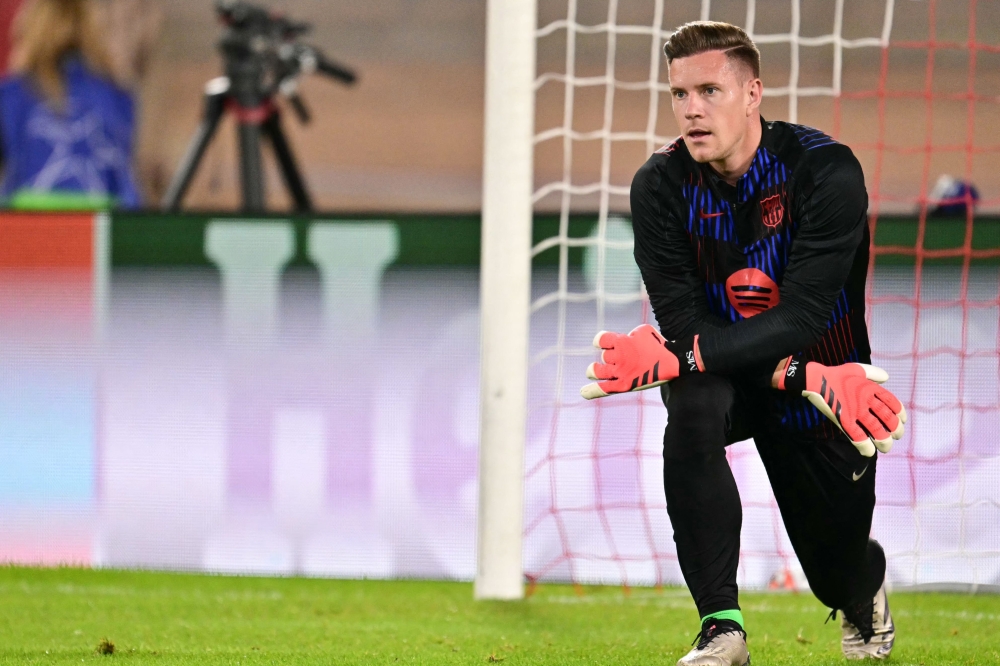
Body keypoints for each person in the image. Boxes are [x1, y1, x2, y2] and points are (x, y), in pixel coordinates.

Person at [580, 22, 907, 665]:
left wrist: (799, 377)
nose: (692, 109)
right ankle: (721, 628)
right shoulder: (659, 188)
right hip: (795, 382)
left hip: (828, 398)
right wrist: (793, 375)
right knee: (693, 401)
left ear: (753, 92)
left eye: (709, 89)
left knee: (836, 572)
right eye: (679, 94)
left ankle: (861, 588)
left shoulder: (825, 172)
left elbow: (804, 316)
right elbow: (685, 325)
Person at [0, 0, 141, 209]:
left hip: (27, 222)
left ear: (31, 26)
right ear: (94, 29)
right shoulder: (117, 93)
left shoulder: (12, 94)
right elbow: (123, 173)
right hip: (101, 222)